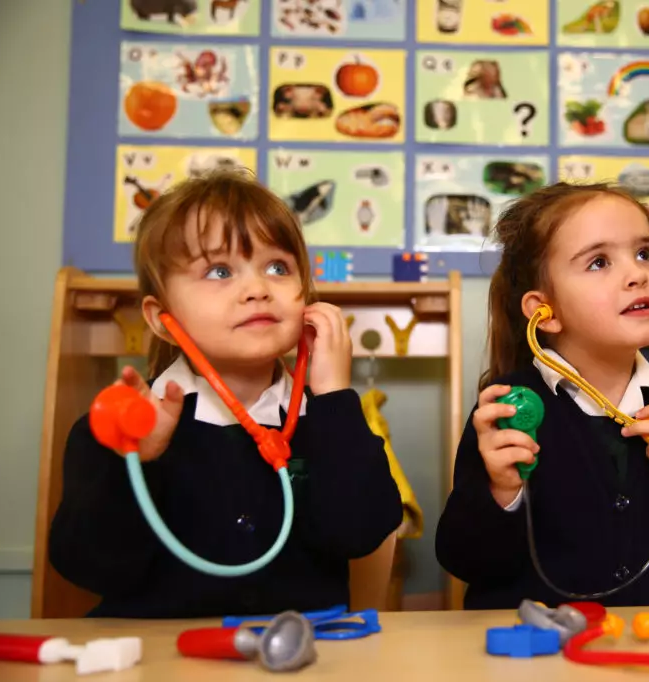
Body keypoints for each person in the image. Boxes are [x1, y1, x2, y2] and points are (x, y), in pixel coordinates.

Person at [49, 170, 403, 618]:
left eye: (278, 267)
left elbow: (360, 532)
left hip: (295, 656)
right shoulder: (122, 428)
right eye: (219, 271)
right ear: (161, 319)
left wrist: (333, 395)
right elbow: (89, 567)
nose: (257, 290)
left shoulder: (327, 421)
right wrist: (136, 462)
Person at [435, 182, 649, 609]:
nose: (637, 273)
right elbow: (465, 561)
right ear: (543, 312)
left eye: (645, 253)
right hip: (537, 660)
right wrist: (501, 490)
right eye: (599, 262)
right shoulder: (506, 414)